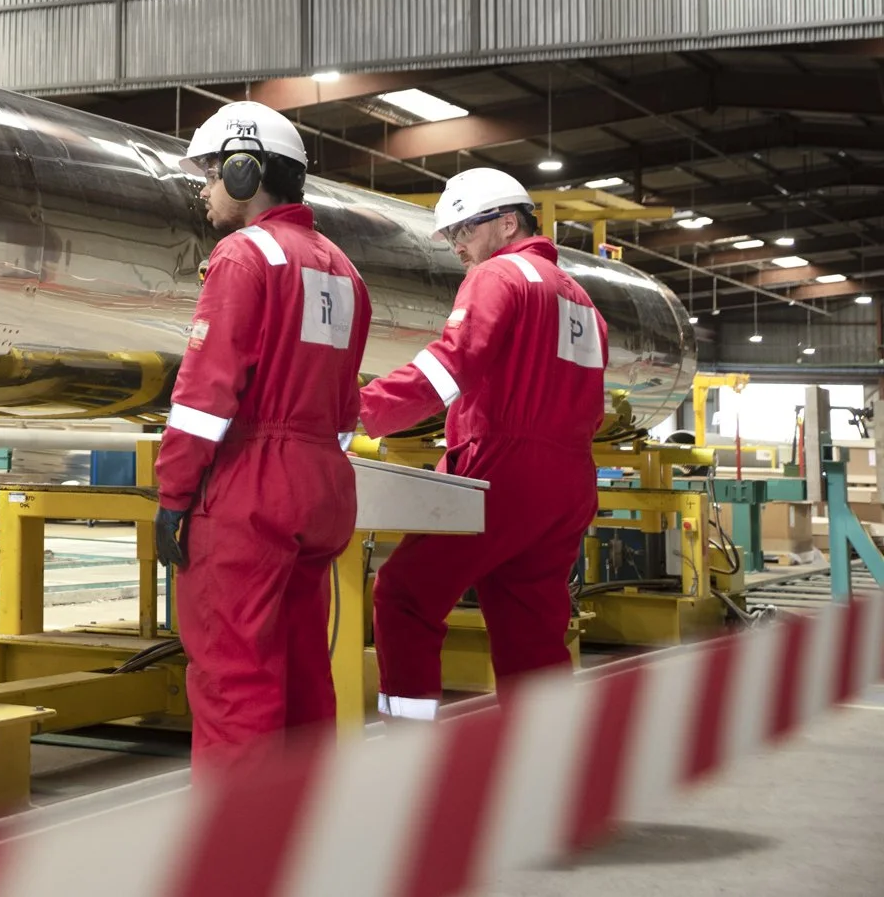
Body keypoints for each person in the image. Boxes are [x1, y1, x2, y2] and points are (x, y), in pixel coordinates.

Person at [153, 101, 370, 773]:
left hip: (250, 490)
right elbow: (344, 406)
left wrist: (173, 495)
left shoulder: (244, 257)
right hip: (322, 488)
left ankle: (234, 855)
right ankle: (303, 837)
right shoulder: (343, 271)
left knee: (235, 677)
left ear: (247, 172)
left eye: (214, 172)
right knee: (305, 670)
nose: (204, 187)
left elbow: (203, 399)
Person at [359, 167, 606, 720]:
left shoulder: (500, 277)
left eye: (464, 231)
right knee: (532, 621)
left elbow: (452, 364)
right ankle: (543, 762)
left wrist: (360, 408)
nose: (457, 247)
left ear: (508, 222)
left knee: (403, 593)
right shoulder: (582, 302)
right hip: (568, 482)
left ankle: (408, 745)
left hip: (502, 470)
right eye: (451, 236)